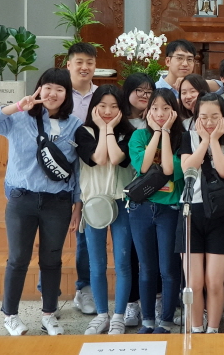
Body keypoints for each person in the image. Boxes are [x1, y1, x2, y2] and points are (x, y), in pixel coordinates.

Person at [0, 68, 82, 336]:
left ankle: (49, 314)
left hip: (58, 202)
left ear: (67, 94)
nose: (53, 93)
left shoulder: (74, 125)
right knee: (18, 259)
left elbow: (77, 170)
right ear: (39, 88)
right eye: (48, 87)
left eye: (60, 89)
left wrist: (77, 206)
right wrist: (16, 106)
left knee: (52, 259)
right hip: (22, 199)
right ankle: (10, 315)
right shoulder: (19, 118)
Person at [75, 85, 136, 335]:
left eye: (114, 106)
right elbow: (99, 159)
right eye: (103, 106)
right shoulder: (83, 132)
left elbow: (117, 158)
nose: (108, 111)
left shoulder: (130, 133)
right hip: (93, 204)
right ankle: (102, 314)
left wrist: (109, 129)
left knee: (122, 262)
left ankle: (119, 315)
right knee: (97, 264)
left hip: (122, 202)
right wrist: (103, 128)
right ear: (94, 108)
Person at [179, 93, 224, 333]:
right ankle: (196, 329)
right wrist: (204, 140)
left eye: (215, 116)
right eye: (203, 117)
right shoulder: (188, 137)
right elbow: (188, 167)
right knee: (194, 283)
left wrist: (214, 140)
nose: (208, 122)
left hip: (220, 214)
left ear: (223, 117)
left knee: (214, 282)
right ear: (196, 117)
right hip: (190, 212)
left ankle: (213, 330)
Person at [128, 88, 185, 334]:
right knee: (146, 268)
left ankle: (166, 321)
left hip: (169, 209)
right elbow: (143, 166)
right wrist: (158, 133)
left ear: (174, 111)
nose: (160, 113)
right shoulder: (139, 136)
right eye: (154, 108)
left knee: (168, 269)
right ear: (147, 111)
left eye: (166, 108)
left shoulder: (183, 138)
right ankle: (148, 320)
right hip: (140, 209)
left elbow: (170, 170)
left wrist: (167, 133)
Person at [119, 72, 156, 326]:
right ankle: (132, 303)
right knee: (131, 251)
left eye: (148, 92)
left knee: (155, 251)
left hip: (157, 194)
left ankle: (157, 300)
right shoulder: (119, 121)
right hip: (127, 193)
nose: (144, 95)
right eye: (139, 90)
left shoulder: (156, 120)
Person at [67, 42, 98, 316]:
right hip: (60, 174)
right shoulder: (59, 94)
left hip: (92, 172)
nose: (84, 67)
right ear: (69, 65)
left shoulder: (102, 97)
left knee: (84, 234)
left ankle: (84, 288)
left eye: (89, 62)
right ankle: (47, 296)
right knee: (53, 236)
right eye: (79, 62)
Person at [155, 39, 222, 97]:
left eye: (189, 59)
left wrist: (193, 82)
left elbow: (223, 87)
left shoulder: (198, 87)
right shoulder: (154, 89)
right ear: (168, 61)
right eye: (180, 58)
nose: (185, 64)